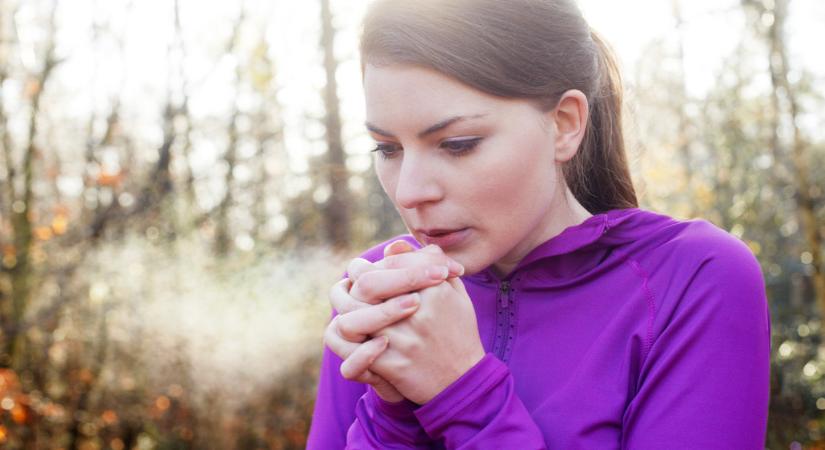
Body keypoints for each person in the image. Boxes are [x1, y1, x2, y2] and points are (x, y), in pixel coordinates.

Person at [307, 0, 771, 448]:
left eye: (457, 144)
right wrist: (393, 416)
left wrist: (463, 394)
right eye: (387, 149)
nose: (409, 191)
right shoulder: (376, 294)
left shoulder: (694, 278)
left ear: (565, 123)